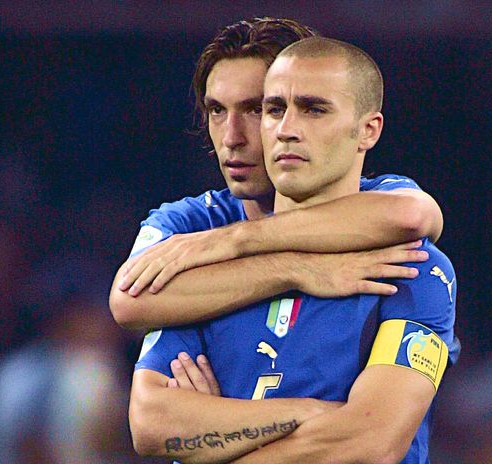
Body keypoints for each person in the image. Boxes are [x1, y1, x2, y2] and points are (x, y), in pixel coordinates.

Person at [129, 37, 458, 464]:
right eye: (273, 109)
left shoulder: (413, 268)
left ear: (368, 130)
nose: (285, 129)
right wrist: (308, 415)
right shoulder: (202, 271)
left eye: (314, 109)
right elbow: (152, 425)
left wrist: (219, 432)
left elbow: (368, 444)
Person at [108, 18, 444, 333]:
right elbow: (128, 301)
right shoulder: (191, 222)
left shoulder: (372, 199)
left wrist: (229, 242)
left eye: (258, 109)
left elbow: (413, 214)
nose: (231, 138)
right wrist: (293, 269)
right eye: (217, 111)